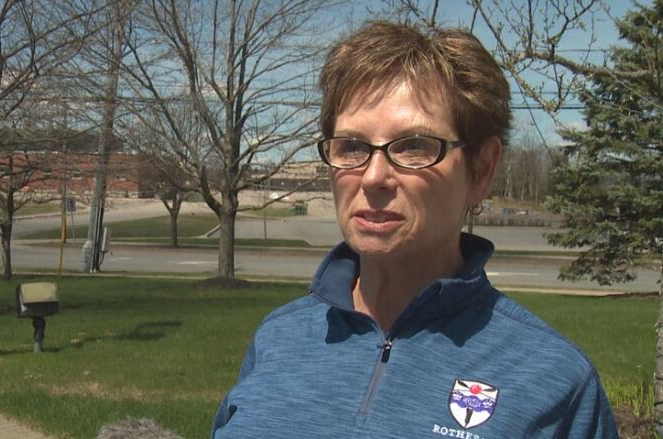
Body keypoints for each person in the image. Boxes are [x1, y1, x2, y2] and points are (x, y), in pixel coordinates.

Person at [212, 21, 618, 438]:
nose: (373, 177)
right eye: (351, 146)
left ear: (482, 169)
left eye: (413, 146)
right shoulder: (277, 339)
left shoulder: (555, 381)